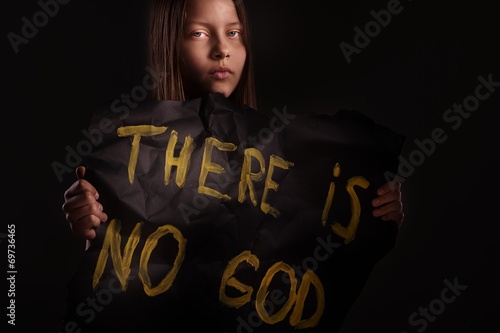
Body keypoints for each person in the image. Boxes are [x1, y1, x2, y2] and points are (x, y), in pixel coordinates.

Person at [61, 0, 404, 331]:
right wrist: (93, 223)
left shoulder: (279, 159)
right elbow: (117, 285)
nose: (221, 49)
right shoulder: (130, 153)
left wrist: (377, 215)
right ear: (169, 43)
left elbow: (321, 252)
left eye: (234, 33)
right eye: (199, 33)